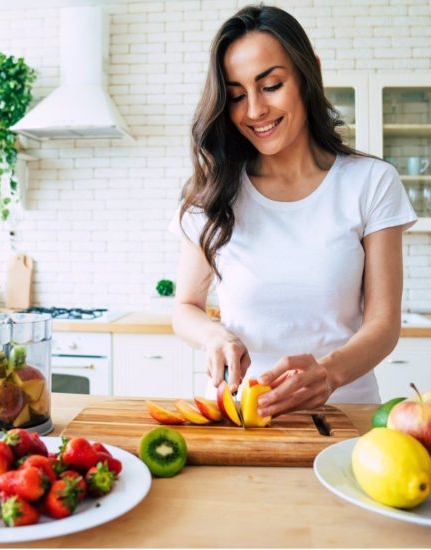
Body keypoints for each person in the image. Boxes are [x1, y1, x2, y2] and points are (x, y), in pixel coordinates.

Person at [169, 4, 417, 418]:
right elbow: (185, 308)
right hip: (242, 415)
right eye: (236, 96)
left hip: (345, 415)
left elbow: (383, 324)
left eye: (271, 85)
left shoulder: (370, 182)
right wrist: (214, 336)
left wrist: (329, 374)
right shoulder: (214, 193)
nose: (254, 111)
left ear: (310, 74)